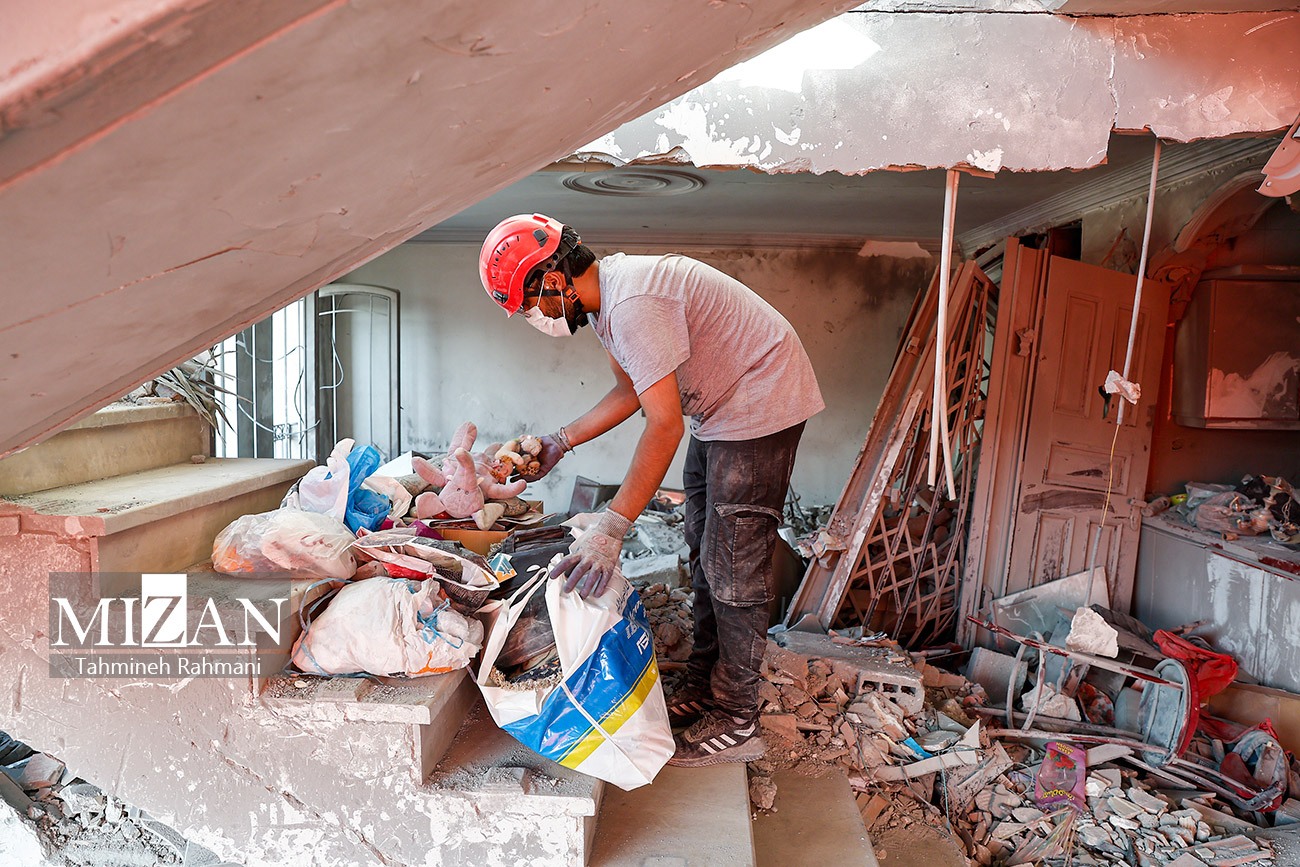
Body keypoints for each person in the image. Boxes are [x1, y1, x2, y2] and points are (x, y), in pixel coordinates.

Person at [479, 213, 824, 767]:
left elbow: (663, 426)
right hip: (721, 407)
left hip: (759, 397)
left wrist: (612, 528)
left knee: (734, 558)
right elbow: (629, 391)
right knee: (703, 541)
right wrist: (559, 441)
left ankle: (736, 717)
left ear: (554, 279)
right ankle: (705, 680)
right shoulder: (605, 304)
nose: (535, 317)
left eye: (529, 304)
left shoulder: (633, 304)